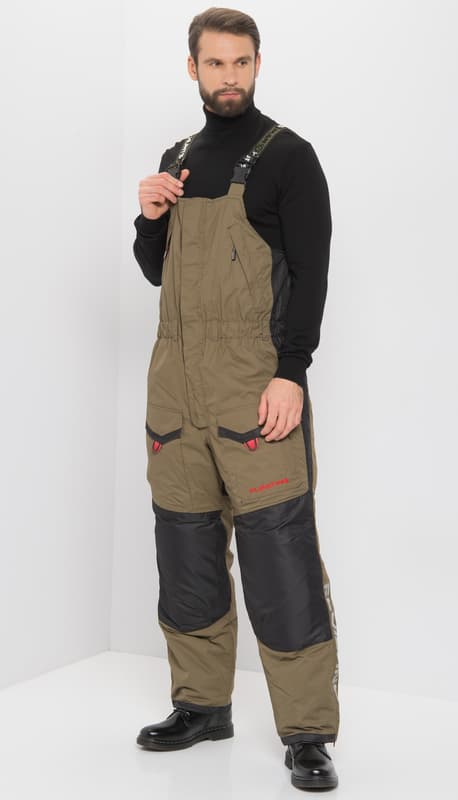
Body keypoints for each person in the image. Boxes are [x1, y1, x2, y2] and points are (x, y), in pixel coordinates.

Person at [132, 7, 340, 791]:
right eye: (215, 63)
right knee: (184, 554)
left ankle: (307, 731)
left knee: (279, 559)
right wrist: (149, 218)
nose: (229, 77)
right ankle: (200, 706)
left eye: (241, 62)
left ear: (257, 64)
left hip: (255, 388)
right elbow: (157, 271)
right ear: (192, 67)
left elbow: (311, 273)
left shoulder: (288, 157)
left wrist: (291, 371)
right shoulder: (177, 159)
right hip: (173, 388)